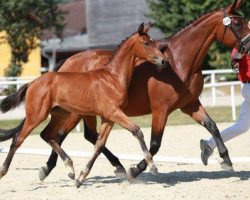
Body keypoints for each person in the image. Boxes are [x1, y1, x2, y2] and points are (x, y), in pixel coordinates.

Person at [200, 21, 250, 165]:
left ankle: (209, 145)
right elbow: (235, 59)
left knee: (241, 126)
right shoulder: (242, 45)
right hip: (249, 87)